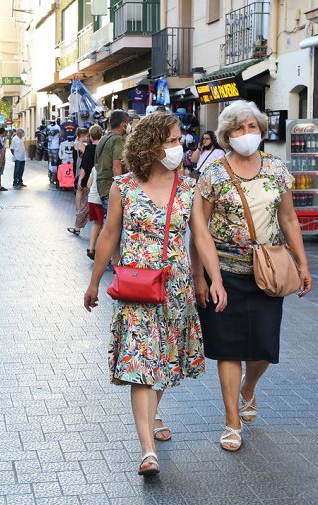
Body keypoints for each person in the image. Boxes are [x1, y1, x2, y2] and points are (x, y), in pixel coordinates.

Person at [83, 112, 227, 476]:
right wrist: (94, 281)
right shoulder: (123, 186)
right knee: (143, 367)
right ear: (152, 144)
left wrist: (215, 280)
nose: (180, 147)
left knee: (161, 365)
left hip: (174, 290)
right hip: (136, 290)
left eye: (180, 140)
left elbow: (202, 236)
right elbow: (110, 234)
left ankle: (150, 425)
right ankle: (147, 449)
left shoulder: (188, 187)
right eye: (173, 140)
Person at [192, 100, 312, 452]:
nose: (248, 134)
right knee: (228, 349)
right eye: (240, 129)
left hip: (268, 272)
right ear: (227, 135)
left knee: (263, 347)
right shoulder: (213, 174)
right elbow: (200, 230)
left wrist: (303, 263)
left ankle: (249, 387)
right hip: (224, 272)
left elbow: (289, 219)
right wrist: (201, 276)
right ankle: (231, 421)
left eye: (253, 128)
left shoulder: (276, 168)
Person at [95, 110, 130, 212]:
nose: (129, 125)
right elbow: (117, 166)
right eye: (128, 122)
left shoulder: (103, 139)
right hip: (111, 187)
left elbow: (97, 165)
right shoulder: (118, 140)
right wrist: (120, 190)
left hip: (102, 186)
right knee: (115, 224)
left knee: (109, 220)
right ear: (122, 124)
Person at [68, 127, 95, 236]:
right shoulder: (80, 144)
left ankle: (78, 211)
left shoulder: (77, 143)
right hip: (81, 169)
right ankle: (79, 210)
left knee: (79, 191)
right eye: (85, 136)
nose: (87, 137)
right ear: (80, 135)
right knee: (80, 190)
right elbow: (88, 154)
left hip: (78, 169)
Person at [85, 126, 104, 259]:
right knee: (104, 226)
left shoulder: (94, 168)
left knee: (96, 224)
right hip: (100, 199)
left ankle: (91, 248)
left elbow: (89, 184)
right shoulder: (105, 169)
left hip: (92, 199)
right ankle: (102, 252)